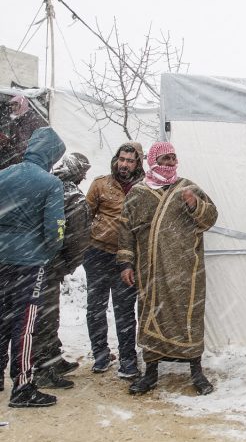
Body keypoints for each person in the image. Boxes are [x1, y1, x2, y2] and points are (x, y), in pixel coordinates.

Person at [117, 141, 218, 395]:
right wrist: (127, 263)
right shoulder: (139, 193)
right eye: (165, 159)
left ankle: (197, 371)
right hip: (151, 269)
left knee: (188, 317)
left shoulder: (188, 188)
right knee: (151, 313)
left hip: (186, 268)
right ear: (153, 162)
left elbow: (211, 218)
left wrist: (195, 204)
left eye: (173, 158)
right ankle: (150, 373)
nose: (171, 162)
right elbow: (126, 229)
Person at [0, 127, 65, 407]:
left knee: (1, 320)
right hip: (29, 262)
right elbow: (56, 229)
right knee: (25, 324)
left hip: (1, 259)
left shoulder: (3, 175)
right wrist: (48, 253)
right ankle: (23, 385)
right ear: (51, 154)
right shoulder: (50, 183)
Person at [84, 142, 144, 377]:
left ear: (137, 163)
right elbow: (84, 217)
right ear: (116, 160)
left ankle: (128, 359)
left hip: (126, 258)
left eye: (130, 160)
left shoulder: (144, 188)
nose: (124, 164)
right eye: (122, 159)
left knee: (125, 310)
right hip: (97, 253)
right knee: (96, 308)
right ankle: (100, 354)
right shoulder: (101, 184)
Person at [34, 153, 92, 389]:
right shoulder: (74, 198)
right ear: (79, 173)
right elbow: (78, 238)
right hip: (52, 263)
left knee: (42, 315)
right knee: (46, 317)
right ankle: (42, 370)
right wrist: (68, 264)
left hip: (33, 261)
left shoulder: (43, 188)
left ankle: (52, 359)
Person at [0, 95, 48, 169]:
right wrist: (6, 141)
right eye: (12, 105)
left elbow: (41, 138)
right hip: (17, 156)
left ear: (23, 105)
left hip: (29, 156)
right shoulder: (15, 120)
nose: (13, 107)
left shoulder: (33, 119)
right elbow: (15, 139)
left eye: (16, 104)